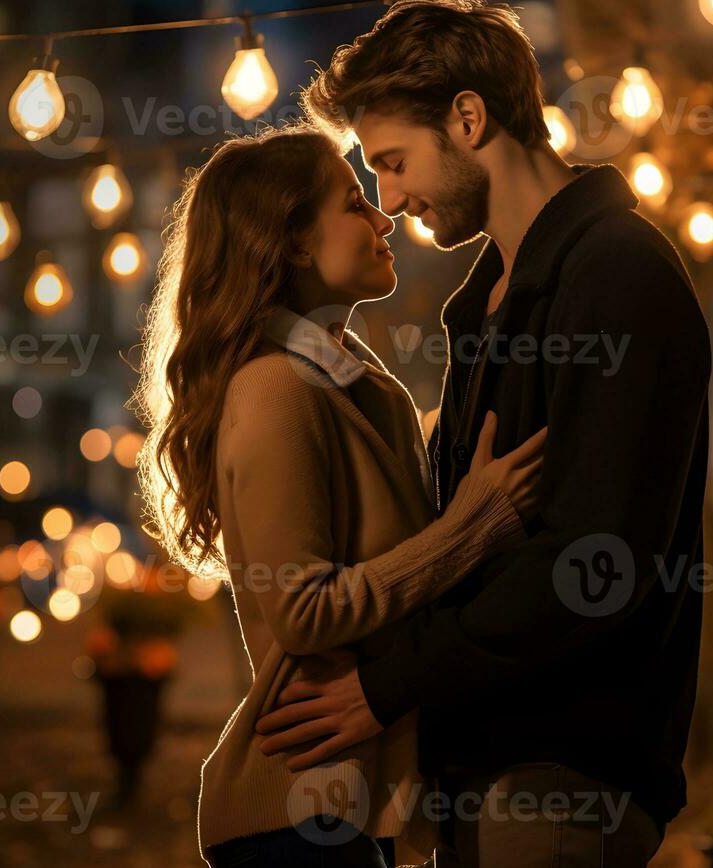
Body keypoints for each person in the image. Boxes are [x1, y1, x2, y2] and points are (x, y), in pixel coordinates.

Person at [255, 0, 713, 867]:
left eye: (392, 161)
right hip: (479, 775)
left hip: (560, 782)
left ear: (469, 118)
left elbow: (593, 564)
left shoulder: (617, 272)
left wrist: (385, 689)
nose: (387, 200)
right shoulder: (489, 301)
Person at [133, 122, 547, 867]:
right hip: (298, 811)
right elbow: (304, 611)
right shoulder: (275, 389)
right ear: (293, 241)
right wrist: (471, 527)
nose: (384, 216)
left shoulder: (355, 385)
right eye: (354, 201)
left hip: (354, 808)